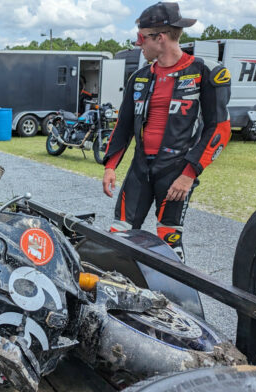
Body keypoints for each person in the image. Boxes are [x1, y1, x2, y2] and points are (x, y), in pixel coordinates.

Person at [102, 2, 231, 262]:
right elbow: (123, 124)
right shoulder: (138, 77)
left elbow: (219, 128)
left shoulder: (206, 72)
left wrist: (188, 174)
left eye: (141, 38)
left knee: (169, 243)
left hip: (176, 170)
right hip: (140, 168)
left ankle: (172, 300)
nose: (138, 44)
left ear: (159, 38)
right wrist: (110, 166)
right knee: (119, 236)